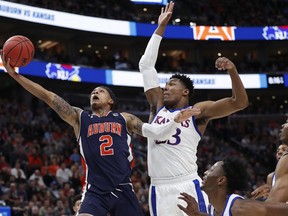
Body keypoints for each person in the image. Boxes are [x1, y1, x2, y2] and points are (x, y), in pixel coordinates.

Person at [1, 52, 200, 216]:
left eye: (100, 91)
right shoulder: (80, 118)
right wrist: (16, 75)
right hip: (95, 192)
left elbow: (155, 132)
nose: (94, 93)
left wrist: (175, 120)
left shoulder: (125, 119)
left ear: (111, 100)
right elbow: (47, 96)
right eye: (93, 92)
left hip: (124, 190)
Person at [138, 2, 249, 215]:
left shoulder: (199, 112)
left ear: (185, 92)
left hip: (187, 183)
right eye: (166, 84)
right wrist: (160, 28)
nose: (166, 87)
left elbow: (239, 102)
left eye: (171, 84)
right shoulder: (157, 105)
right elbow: (146, 65)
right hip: (157, 188)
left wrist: (233, 70)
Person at [177, 157, 288, 216]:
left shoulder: (241, 208)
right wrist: (197, 214)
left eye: (211, 170)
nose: (205, 172)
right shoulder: (212, 208)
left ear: (221, 180)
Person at [265, 120, 288, 203]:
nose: (282, 125)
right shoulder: (271, 177)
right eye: (278, 150)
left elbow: (272, 204)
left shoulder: (286, 160)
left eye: (287, 122)